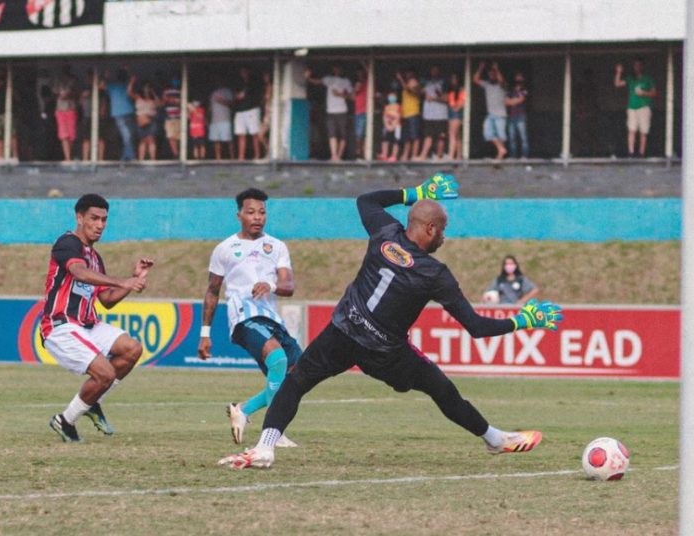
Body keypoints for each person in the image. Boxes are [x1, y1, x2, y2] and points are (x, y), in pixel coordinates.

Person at [218, 174, 563, 469]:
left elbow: (366, 199)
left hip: (342, 331)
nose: (444, 237)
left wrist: (416, 193)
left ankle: (265, 446)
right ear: (429, 228)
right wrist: (523, 320)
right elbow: (476, 327)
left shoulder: (385, 231)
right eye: (442, 231)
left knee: (296, 382)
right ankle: (494, 439)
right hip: (385, 352)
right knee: (441, 389)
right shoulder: (435, 273)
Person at [42, 194, 154, 442]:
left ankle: (92, 403)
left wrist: (133, 280)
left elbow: (107, 300)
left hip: (87, 324)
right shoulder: (67, 243)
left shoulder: (95, 256)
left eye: (104, 219)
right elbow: (79, 273)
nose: (100, 224)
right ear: (79, 218)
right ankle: (65, 420)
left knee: (131, 349)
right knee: (104, 373)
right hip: (60, 325)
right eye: (94, 218)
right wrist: (121, 280)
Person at [198, 188, 302, 448]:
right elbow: (212, 291)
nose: (258, 217)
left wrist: (272, 285)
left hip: (271, 317)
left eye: (262, 212)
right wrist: (205, 334)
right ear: (239, 215)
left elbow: (288, 286)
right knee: (278, 360)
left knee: (297, 376)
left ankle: (243, 411)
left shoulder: (277, 246)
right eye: (251, 212)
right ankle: (273, 431)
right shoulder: (225, 249)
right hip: (243, 316)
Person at [305, 65, 353, 161]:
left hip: (342, 111)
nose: (337, 70)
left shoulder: (346, 81)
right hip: (330, 111)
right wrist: (307, 78)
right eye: (335, 68)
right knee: (332, 134)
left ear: (342, 70)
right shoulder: (329, 79)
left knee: (343, 135)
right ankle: (333, 155)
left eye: (339, 68)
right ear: (333, 69)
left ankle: (339, 156)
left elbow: (352, 97)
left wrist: (340, 95)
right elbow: (317, 82)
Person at [614, 58, 657, 157]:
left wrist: (643, 93)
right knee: (631, 130)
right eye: (635, 65)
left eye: (638, 65)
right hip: (632, 108)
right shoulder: (630, 78)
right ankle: (631, 152)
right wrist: (618, 72)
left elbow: (654, 93)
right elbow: (617, 84)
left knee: (643, 131)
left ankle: (641, 153)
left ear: (642, 66)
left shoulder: (648, 78)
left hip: (644, 107)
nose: (636, 67)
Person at [473, 61, 508, 160]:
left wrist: (497, 69)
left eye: (493, 74)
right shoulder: (487, 84)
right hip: (490, 114)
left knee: (501, 135)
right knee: (487, 133)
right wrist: (480, 68)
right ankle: (501, 149)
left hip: (500, 114)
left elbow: (501, 81)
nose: (491, 76)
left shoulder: (502, 85)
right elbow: (475, 79)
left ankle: (500, 155)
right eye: (490, 74)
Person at [103, 68, 136, 161]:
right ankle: (130, 156)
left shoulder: (112, 86)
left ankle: (126, 156)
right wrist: (128, 69)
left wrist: (106, 76)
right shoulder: (126, 85)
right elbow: (133, 79)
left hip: (118, 113)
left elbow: (102, 85)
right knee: (127, 135)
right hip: (128, 112)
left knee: (126, 135)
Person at [417, 65, 448, 161]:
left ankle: (439, 156)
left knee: (441, 137)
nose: (434, 72)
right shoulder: (426, 83)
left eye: (436, 70)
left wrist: (433, 98)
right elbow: (417, 91)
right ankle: (423, 156)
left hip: (440, 115)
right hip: (429, 115)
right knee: (428, 136)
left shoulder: (443, 83)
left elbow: (446, 99)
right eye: (432, 70)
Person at [78, 69, 108, 162]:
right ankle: (86, 159)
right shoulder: (85, 89)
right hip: (87, 115)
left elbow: (104, 101)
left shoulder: (101, 89)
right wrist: (83, 96)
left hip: (98, 116)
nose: (90, 79)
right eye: (89, 78)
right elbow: (80, 102)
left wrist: (102, 112)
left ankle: (100, 159)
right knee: (86, 139)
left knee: (101, 138)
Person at [233, 67, 262, 161]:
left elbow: (259, 96)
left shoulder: (254, 82)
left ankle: (257, 155)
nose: (243, 73)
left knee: (254, 133)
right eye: (241, 72)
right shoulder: (238, 83)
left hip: (252, 109)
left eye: (245, 71)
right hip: (240, 111)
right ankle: (241, 157)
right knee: (241, 134)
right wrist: (238, 96)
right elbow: (235, 96)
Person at [130, 80, 161, 161]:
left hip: (151, 120)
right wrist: (132, 81)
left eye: (148, 88)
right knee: (142, 140)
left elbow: (159, 104)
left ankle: (153, 159)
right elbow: (129, 92)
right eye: (145, 88)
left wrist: (153, 92)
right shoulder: (138, 97)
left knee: (151, 139)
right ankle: (141, 160)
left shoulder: (152, 99)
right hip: (141, 121)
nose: (146, 89)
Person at [396, 69, 422, 161]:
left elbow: (409, 89)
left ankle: (414, 155)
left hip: (413, 113)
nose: (408, 75)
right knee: (406, 137)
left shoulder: (415, 83)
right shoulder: (406, 83)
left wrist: (400, 79)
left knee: (414, 136)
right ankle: (406, 155)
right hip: (405, 114)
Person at [53, 65, 79, 162]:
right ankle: (67, 157)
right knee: (63, 135)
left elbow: (77, 93)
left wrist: (69, 94)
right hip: (60, 109)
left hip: (71, 108)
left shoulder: (74, 80)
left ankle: (70, 156)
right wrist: (60, 95)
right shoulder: (58, 80)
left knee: (71, 135)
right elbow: (54, 92)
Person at [208, 77, 234, 160]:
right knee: (216, 140)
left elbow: (231, 103)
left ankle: (232, 158)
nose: (217, 82)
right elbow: (210, 107)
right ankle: (218, 158)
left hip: (225, 119)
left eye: (219, 81)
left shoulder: (227, 91)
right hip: (214, 120)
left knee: (228, 140)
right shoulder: (213, 93)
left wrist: (221, 100)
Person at [506, 72, 530, 159]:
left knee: (523, 137)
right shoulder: (510, 89)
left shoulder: (524, 89)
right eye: (517, 77)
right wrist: (513, 101)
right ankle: (513, 156)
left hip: (521, 116)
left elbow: (521, 100)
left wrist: (512, 101)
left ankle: (524, 156)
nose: (518, 79)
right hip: (511, 116)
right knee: (512, 138)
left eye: (520, 77)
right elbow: (506, 102)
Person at [377, 90, 401, 162]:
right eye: (390, 96)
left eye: (393, 96)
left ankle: (394, 156)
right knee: (385, 140)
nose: (391, 98)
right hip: (387, 126)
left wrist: (393, 126)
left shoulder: (398, 106)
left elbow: (398, 117)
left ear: (396, 97)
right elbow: (384, 116)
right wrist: (387, 125)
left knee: (396, 141)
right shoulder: (386, 107)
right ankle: (384, 154)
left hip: (396, 126)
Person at [446, 73, 465, 161]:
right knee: (457, 135)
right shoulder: (451, 90)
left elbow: (462, 103)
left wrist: (456, 108)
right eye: (451, 79)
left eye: (454, 79)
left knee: (452, 134)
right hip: (451, 112)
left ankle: (451, 155)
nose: (452, 81)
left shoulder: (461, 90)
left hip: (455, 113)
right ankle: (458, 156)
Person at [161, 78, 182, 159]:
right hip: (169, 118)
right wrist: (167, 100)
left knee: (178, 137)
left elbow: (182, 102)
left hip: (179, 117)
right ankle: (176, 154)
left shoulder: (181, 91)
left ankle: (181, 154)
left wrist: (171, 100)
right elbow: (162, 103)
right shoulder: (166, 91)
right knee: (170, 137)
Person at [353, 68, 368, 160]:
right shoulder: (357, 84)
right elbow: (354, 94)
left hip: (367, 111)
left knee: (366, 134)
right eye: (358, 75)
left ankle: (364, 153)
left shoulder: (369, 84)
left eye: (361, 74)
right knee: (359, 134)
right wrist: (357, 87)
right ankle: (359, 153)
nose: (360, 76)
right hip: (358, 112)